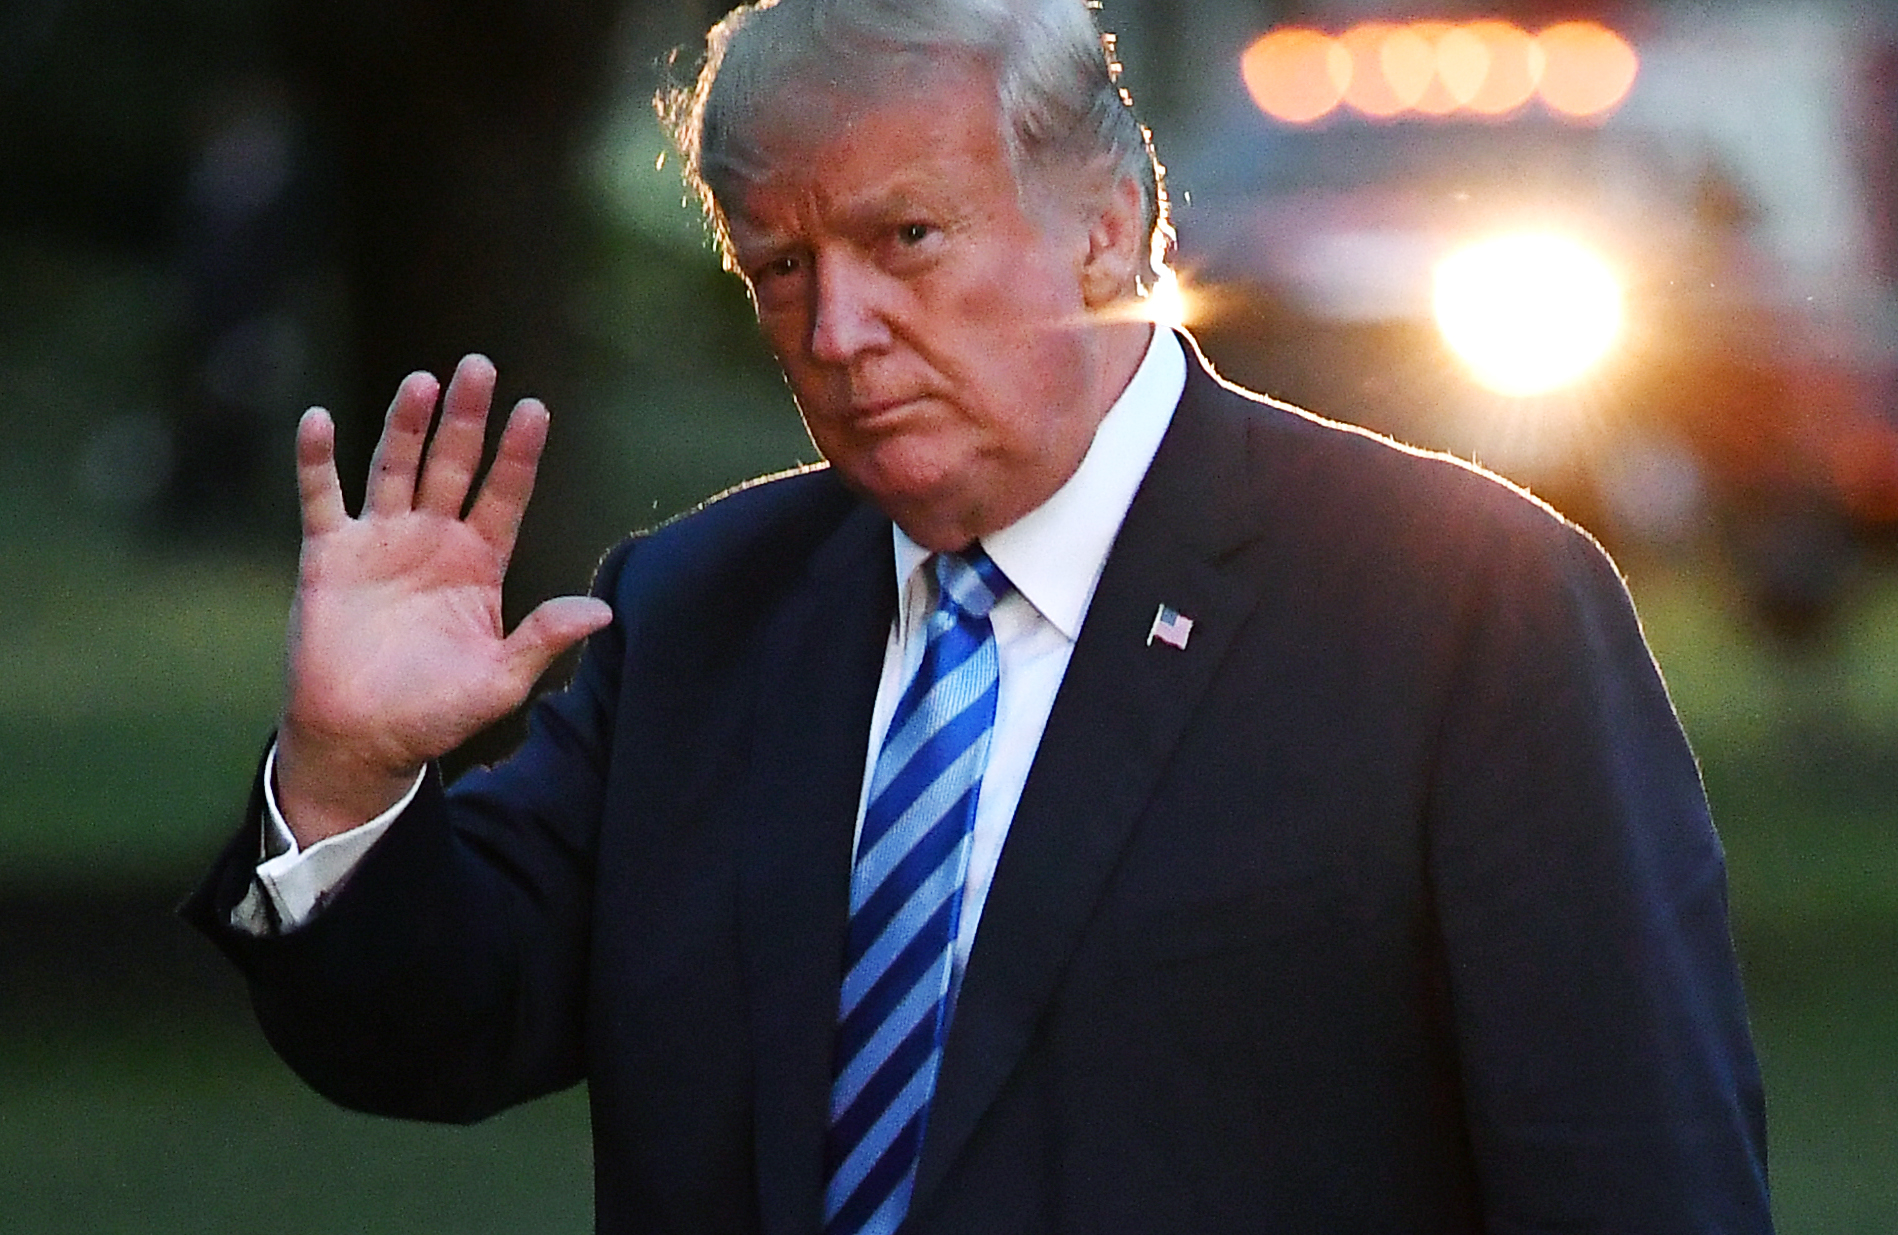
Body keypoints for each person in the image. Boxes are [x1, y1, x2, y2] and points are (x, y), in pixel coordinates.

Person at [185, 1, 1773, 1232]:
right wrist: (343, 779)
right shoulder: (695, 616)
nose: (839, 328)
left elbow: (1629, 1176)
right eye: (779, 266)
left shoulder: (1460, 604)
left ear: (1104, 223)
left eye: (905, 239)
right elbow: (430, 1032)